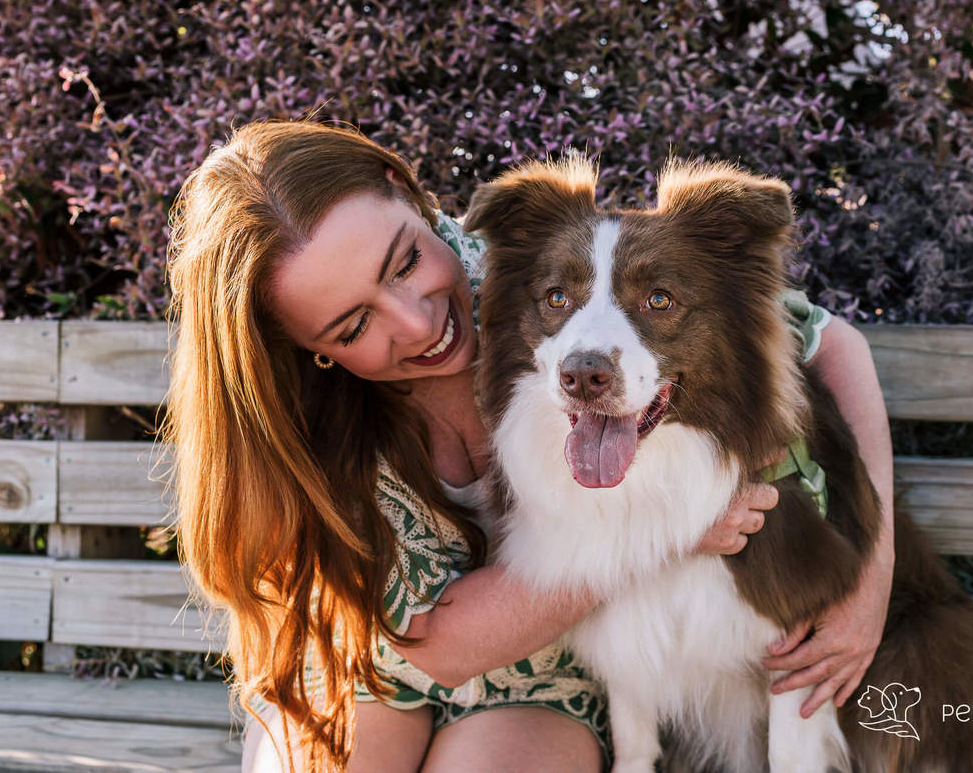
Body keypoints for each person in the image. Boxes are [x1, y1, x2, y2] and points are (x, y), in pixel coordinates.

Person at [164, 120, 895, 773]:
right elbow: (437, 642)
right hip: (367, 664)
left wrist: (872, 569)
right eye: (352, 327)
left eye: (404, 263)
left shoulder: (536, 259)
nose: (417, 324)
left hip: (546, 679)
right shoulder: (292, 409)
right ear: (298, 345)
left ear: (404, 192)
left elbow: (828, 340)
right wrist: (662, 533)